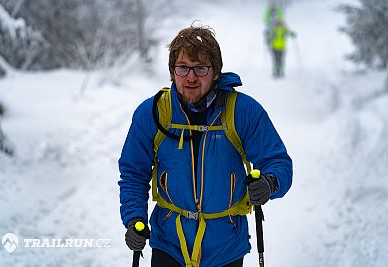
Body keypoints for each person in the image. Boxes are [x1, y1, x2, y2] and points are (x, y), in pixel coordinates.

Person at [118, 25, 293, 267]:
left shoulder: (242, 111)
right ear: (172, 71)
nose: (191, 77)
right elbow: (133, 174)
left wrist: (269, 182)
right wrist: (133, 218)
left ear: (215, 72)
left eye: (200, 68)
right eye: (183, 68)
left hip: (225, 247)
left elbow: (278, 162)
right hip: (169, 244)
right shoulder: (154, 113)